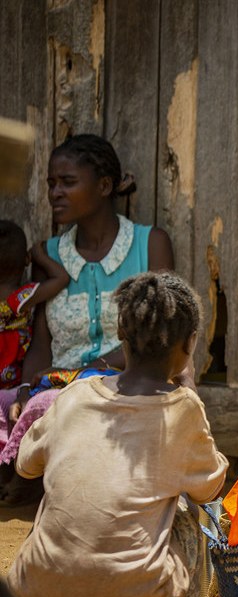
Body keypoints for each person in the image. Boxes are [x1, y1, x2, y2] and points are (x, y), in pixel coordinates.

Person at [7, 272, 228, 597]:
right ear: (190, 344)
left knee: (56, 494)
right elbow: (211, 489)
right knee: (184, 507)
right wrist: (188, 386)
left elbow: (25, 465)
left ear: (121, 335)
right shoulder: (182, 409)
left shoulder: (75, 395)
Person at [0, 134, 174, 506]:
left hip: (131, 383)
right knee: (30, 403)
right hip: (58, 393)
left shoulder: (149, 244)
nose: (55, 193)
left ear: (105, 186)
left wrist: (95, 369)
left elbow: (162, 333)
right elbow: (40, 342)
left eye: (67, 182)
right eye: (50, 184)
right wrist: (31, 387)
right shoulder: (50, 255)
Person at [0, 221, 70, 390]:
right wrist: (41, 257)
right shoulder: (20, 299)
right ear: (26, 259)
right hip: (11, 376)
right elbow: (61, 279)